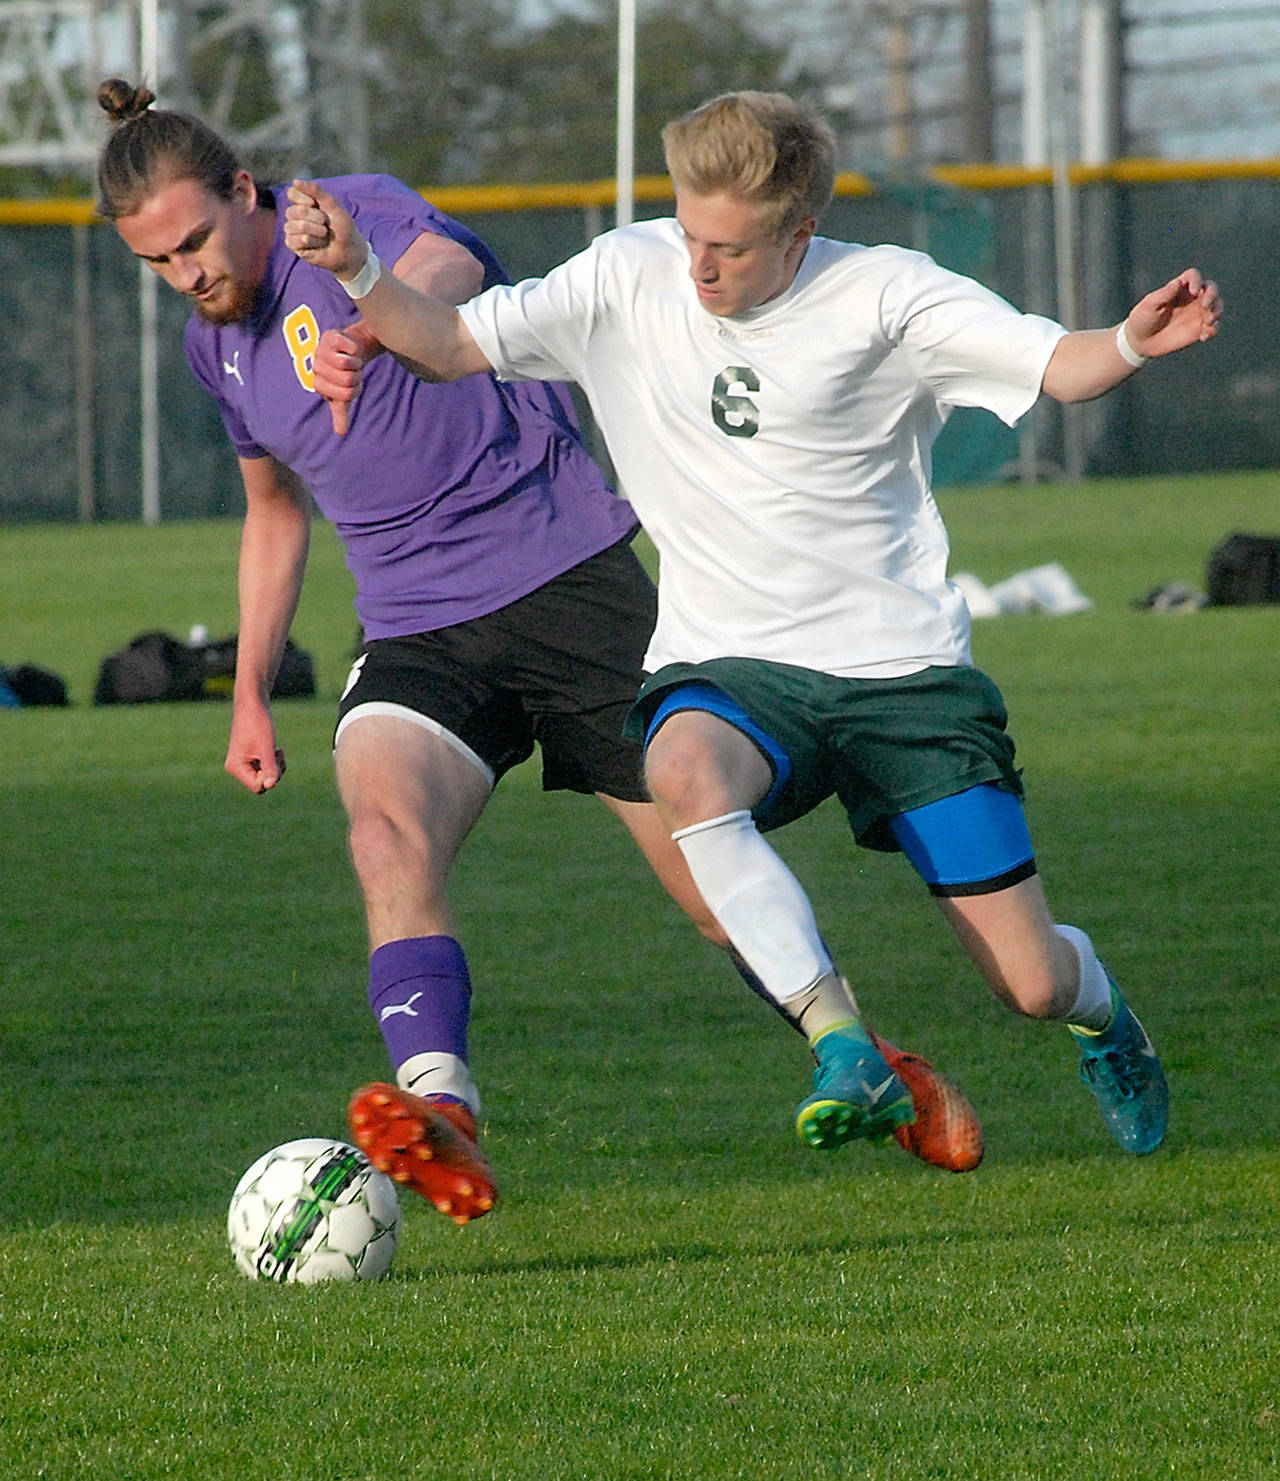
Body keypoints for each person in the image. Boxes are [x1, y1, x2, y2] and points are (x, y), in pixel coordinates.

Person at [95, 82, 981, 1232]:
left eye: (195, 241)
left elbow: (461, 280)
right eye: (157, 262)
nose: (187, 274)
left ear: (246, 194)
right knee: (381, 828)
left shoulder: (341, 213)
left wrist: (373, 310)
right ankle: (442, 1106)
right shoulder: (213, 349)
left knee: (709, 889)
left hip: (564, 577)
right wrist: (250, 692)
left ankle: (862, 1053)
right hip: (416, 626)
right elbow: (274, 513)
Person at [284, 89, 1224, 1163]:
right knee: (679, 765)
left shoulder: (884, 296)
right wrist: (357, 268)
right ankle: (840, 1045)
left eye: (728, 246)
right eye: (688, 232)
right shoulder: (622, 276)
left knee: (1028, 980)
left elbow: (1055, 363)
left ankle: (1102, 1013)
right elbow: (447, 342)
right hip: (733, 667)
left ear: (799, 233)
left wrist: (1132, 342)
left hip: (899, 675)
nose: (699, 266)